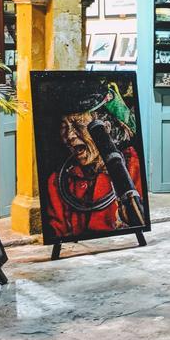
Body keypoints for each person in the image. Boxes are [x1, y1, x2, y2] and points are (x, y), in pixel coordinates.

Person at [45, 82, 144, 239]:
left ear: (105, 128)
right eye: (64, 127)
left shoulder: (133, 168)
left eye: (78, 124)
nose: (69, 136)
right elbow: (57, 230)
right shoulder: (58, 183)